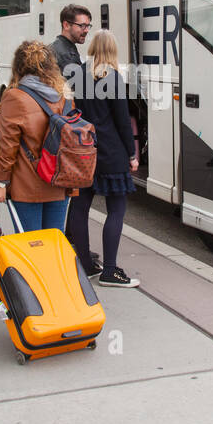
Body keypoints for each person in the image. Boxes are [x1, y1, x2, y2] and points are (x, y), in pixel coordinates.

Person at [65, 30, 140, 287]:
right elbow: (122, 121)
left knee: (80, 207)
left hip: (83, 151)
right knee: (116, 210)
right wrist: (132, 154)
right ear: (112, 49)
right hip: (111, 153)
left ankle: (84, 263)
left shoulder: (78, 75)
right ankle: (110, 271)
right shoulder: (113, 78)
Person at [0, 40, 74, 232]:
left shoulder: (14, 97)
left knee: (30, 246)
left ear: (18, 67)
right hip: (59, 182)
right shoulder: (64, 97)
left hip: (27, 186)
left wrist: (0, 183)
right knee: (53, 244)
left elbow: (6, 147)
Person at [49, 3, 91, 92]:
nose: (86, 30)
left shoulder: (55, 46)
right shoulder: (66, 56)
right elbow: (78, 92)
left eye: (88, 26)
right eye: (82, 26)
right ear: (66, 25)